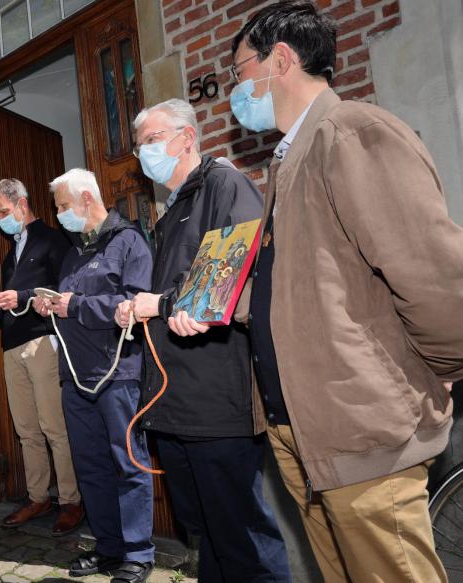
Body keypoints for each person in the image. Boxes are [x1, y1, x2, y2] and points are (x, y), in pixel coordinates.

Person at [169, 3, 463, 581]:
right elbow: (303, 287)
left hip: (361, 424)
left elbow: (432, 274)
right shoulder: (286, 161)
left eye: (239, 72)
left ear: (279, 60)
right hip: (303, 431)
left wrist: (438, 369)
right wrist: (218, 308)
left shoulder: (352, 132)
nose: (236, 89)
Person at [115, 99, 290, 582]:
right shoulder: (171, 212)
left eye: (151, 140)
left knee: (242, 535)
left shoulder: (224, 185)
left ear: (186, 138)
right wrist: (140, 306)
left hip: (216, 400)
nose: (142, 152)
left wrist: (161, 305)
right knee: (206, 536)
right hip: (173, 404)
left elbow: (234, 278)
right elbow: (174, 289)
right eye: (139, 145)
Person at [35, 168, 154, 583]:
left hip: (116, 373)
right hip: (76, 376)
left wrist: (77, 307)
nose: (60, 215)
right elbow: (70, 300)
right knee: (91, 467)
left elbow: (135, 303)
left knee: (127, 463)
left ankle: (138, 553)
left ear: (88, 199)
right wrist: (51, 305)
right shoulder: (74, 252)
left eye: (64, 206)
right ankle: (108, 548)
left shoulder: (128, 242)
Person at [0, 178, 84, 536]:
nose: (1, 222)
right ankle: (38, 496)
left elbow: (65, 291)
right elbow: (17, 301)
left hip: (44, 343)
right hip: (12, 346)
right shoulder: (11, 255)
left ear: (22, 204)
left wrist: (20, 296)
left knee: (55, 427)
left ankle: (71, 500)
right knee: (26, 429)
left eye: (5, 213)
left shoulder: (54, 240)